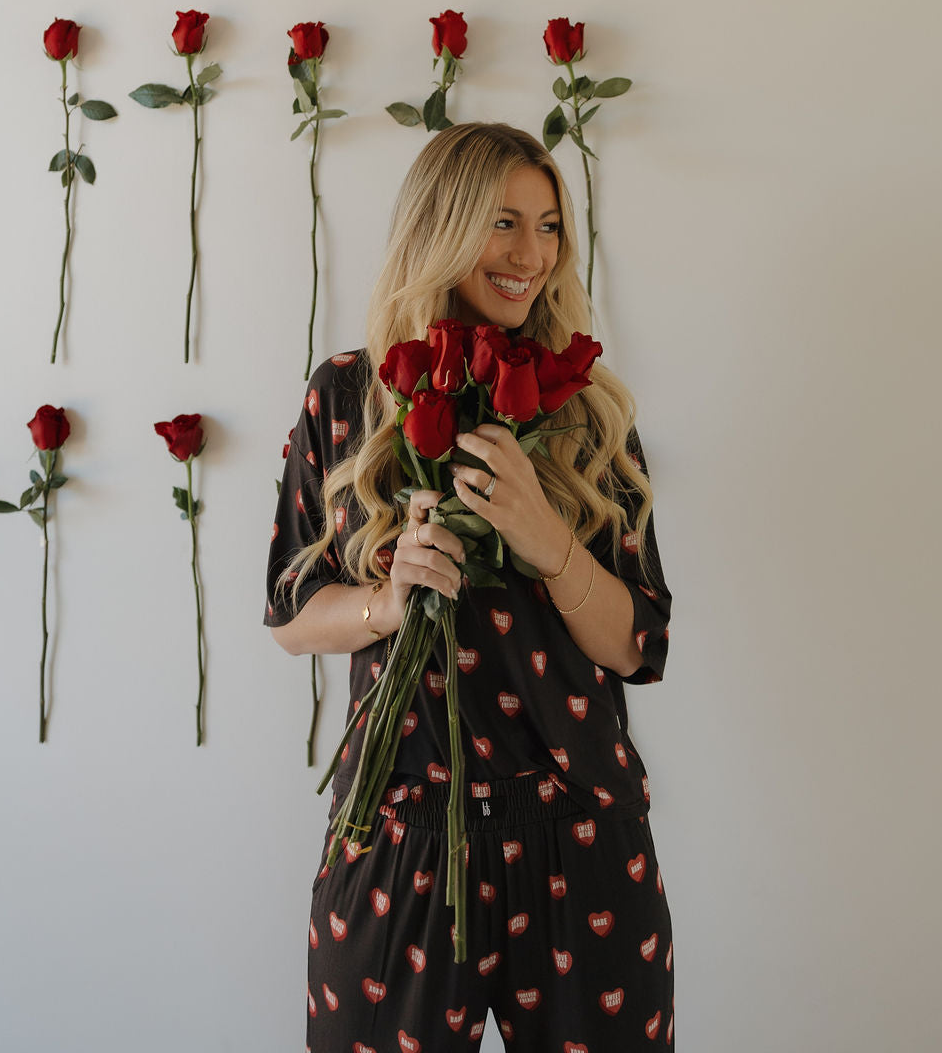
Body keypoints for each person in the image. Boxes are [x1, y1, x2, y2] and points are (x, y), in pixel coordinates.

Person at [265, 121, 675, 1051]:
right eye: (502, 222)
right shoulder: (347, 394)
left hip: (579, 827)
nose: (531, 254)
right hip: (399, 827)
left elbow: (638, 645)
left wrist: (550, 543)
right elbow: (291, 616)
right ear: (443, 225)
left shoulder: (587, 409)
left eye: (548, 224)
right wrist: (387, 601)